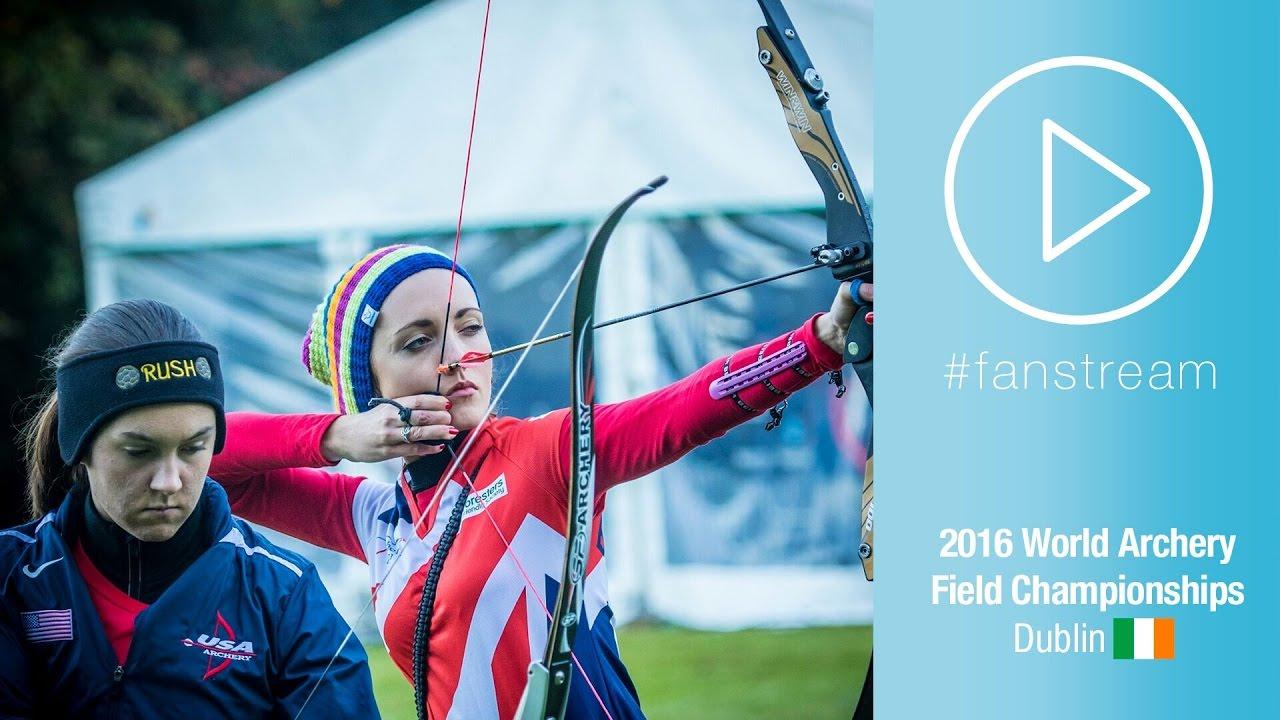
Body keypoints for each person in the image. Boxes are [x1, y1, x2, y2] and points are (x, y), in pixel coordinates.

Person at [208, 244, 866, 719]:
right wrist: (336, 435)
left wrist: (823, 340)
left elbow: (683, 412)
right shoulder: (374, 517)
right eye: (416, 342)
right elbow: (210, 459)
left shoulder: (543, 451)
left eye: (469, 327)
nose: (456, 355)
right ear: (369, 387)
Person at [0, 299, 379, 718]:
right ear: (79, 446)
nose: (170, 481)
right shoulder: (10, 579)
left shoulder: (283, 594)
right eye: (138, 451)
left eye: (193, 448)